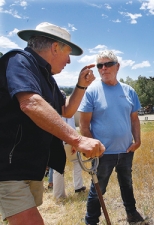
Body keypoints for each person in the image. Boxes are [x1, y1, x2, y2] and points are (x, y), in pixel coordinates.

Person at [0, 22, 105, 225]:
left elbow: (65, 110)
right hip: (8, 168)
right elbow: (30, 103)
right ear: (55, 47)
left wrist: (81, 85)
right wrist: (77, 139)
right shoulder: (18, 61)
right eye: (68, 53)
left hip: (28, 167)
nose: (68, 61)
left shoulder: (46, 77)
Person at [78, 50, 144, 225]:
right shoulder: (91, 91)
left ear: (118, 66)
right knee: (98, 189)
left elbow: (134, 119)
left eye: (108, 64)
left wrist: (137, 141)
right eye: (100, 65)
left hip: (126, 150)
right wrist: (94, 148)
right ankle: (91, 221)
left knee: (127, 184)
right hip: (103, 154)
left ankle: (131, 213)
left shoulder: (129, 91)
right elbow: (83, 125)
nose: (104, 68)